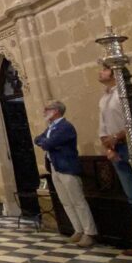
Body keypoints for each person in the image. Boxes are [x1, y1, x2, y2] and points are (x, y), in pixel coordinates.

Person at [98, 64, 132, 256]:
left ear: (115, 72)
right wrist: (109, 146)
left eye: (104, 69)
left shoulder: (130, 95)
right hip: (116, 151)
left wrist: (116, 138)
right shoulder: (104, 99)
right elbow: (103, 127)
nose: (100, 72)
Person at [34, 100, 97, 248]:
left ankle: (89, 233)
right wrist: (45, 141)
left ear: (56, 111)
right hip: (54, 167)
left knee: (78, 201)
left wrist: (46, 142)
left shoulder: (65, 127)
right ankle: (78, 230)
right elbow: (37, 139)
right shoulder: (51, 128)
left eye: (47, 109)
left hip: (67, 167)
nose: (44, 111)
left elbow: (48, 143)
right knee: (66, 201)